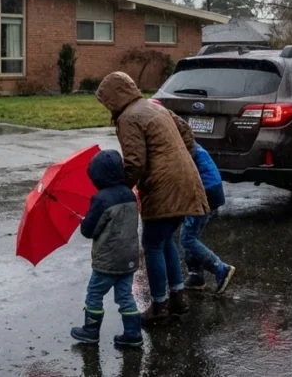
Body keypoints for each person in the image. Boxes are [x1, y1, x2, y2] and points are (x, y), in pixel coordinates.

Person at [96, 72, 209, 326]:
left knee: (153, 244)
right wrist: (180, 160)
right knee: (166, 239)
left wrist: (119, 191)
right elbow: (186, 132)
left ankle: (159, 305)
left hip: (164, 186)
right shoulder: (152, 107)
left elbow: (135, 163)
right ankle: (178, 296)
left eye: (106, 101)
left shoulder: (128, 117)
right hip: (186, 179)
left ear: (115, 97)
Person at [70, 150, 143, 348]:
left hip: (107, 261)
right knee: (125, 296)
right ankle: (133, 333)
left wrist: (84, 221)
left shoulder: (101, 199)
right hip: (128, 258)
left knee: (94, 294)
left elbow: (89, 230)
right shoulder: (129, 194)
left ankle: (91, 332)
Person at [181, 144, 236, 294]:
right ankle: (195, 276)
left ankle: (220, 268)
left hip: (204, 191)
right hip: (213, 189)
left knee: (188, 239)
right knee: (192, 235)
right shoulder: (190, 144)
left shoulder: (181, 148)